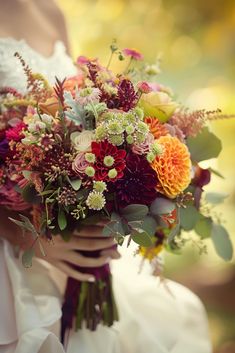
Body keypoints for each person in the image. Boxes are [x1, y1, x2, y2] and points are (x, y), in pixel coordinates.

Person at [0, 1, 212, 352]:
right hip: (18, 257)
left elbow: (76, 101)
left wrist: (113, 207)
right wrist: (21, 235)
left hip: (75, 259)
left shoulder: (49, 12)